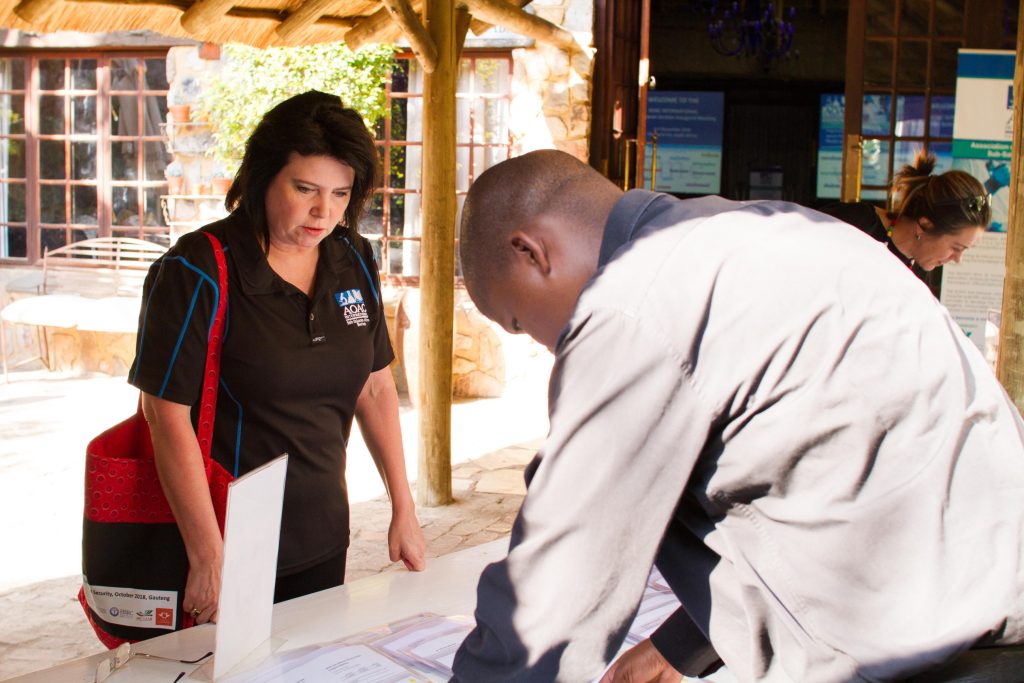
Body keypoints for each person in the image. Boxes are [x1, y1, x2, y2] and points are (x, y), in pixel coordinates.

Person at [450, 149, 1024, 682]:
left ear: (531, 251)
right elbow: (823, 474)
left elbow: (558, 580)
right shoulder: (781, 231)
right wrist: (680, 646)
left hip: (914, 655)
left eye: (517, 321)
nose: (542, 344)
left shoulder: (633, 303)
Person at [129, 91, 425, 624]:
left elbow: (375, 384)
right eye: (305, 189)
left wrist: (403, 506)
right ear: (264, 177)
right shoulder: (197, 269)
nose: (323, 211)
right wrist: (208, 554)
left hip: (322, 535)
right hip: (223, 543)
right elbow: (164, 413)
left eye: (340, 193)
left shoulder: (353, 257)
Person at [819, 152, 990, 297]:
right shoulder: (855, 223)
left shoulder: (919, 269)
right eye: (956, 247)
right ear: (924, 225)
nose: (958, 259)